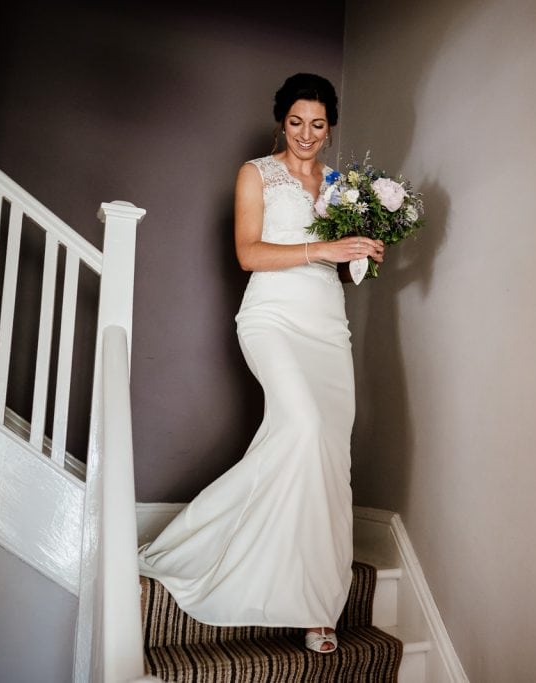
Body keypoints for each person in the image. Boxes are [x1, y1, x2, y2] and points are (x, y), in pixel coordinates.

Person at [139, 73, 384, 654]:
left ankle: (318, 606)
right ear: (282, 121)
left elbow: (350, 268)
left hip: (328, 328)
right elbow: (248, 253)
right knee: (299, 428)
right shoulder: (256, 173)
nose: (306, 134)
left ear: (331, 127)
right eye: (296, 122)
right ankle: (190, 548)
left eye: (318, 124)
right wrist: (323, 247)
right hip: (270, 318)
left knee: (329, 454)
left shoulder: (345, 186)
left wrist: (363, 252)